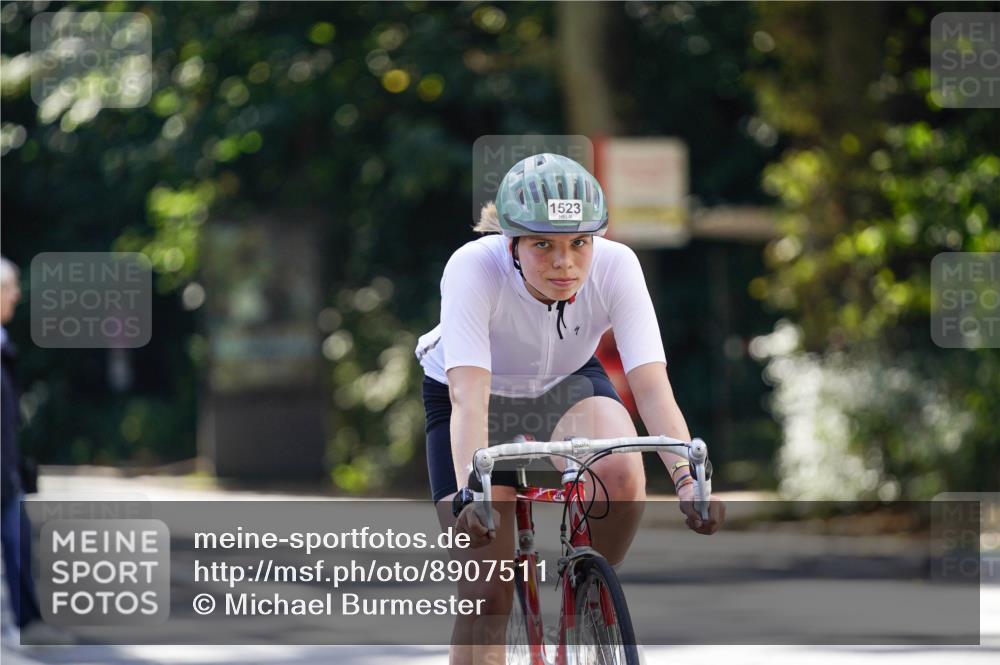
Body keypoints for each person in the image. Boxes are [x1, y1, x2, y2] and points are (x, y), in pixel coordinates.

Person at [415, 154, 726, 663]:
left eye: (579, 242)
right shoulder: (473, 267)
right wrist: (474, 494)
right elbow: (467, 395)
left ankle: (587, 590)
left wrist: (689, 482)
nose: (565, 262)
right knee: (486, 597)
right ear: (511, 244)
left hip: (568, 382)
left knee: (623, 472)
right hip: (477, 398)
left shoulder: (617, 264)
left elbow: (651, 385)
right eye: (544, 245)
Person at [1, 256, 72, 645]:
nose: (17, 296)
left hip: (6, 469)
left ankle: (29, 623)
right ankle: (28, 624)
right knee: (16, 543)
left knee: (19, 543)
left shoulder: (4, 344)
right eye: (11, 288)